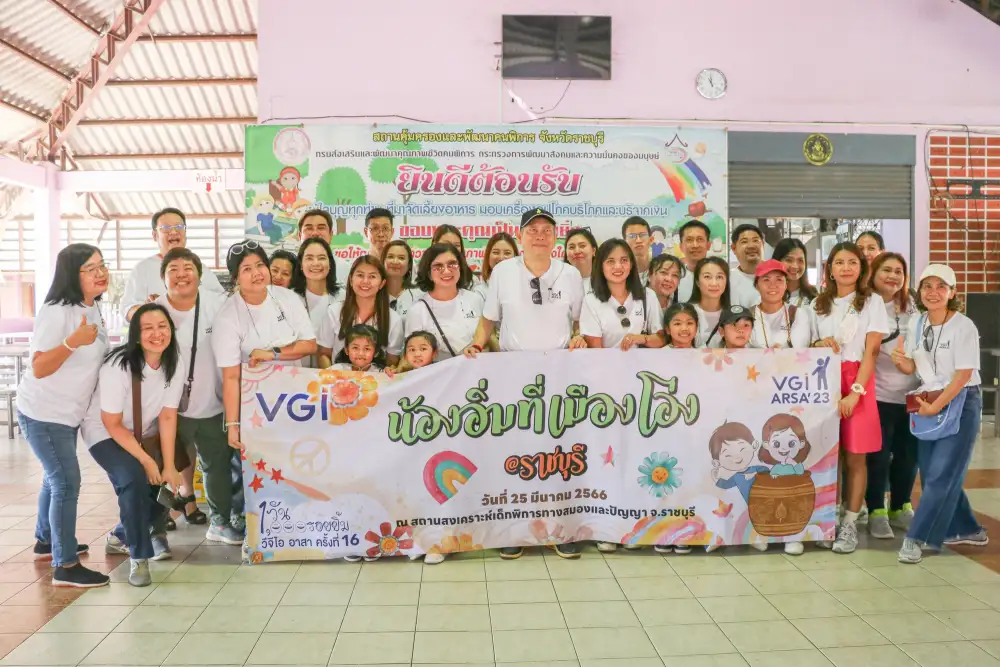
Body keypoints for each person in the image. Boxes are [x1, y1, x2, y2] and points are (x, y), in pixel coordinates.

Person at [464, 208, 586, 559]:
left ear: (555, 237)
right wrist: (476, 345)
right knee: (515, 451)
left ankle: (560, 528)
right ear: (520, 236)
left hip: (560, 376)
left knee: (558, 452)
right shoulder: (504, 272)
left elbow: (579, 322)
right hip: (513, 375)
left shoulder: (570, 274)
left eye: (547, 230)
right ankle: (514, 529)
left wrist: (579, 337)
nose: (540, 235)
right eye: (532, 230)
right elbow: (488, 321)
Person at [16, 244, 111, 588]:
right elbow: (40, 366)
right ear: (73, 274)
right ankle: (65, 564)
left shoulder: (93, 306)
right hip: (44, 412)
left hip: (68, 412)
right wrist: (72, 342)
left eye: (102, 265)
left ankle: (46, 541)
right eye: (90, 268)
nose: (101, 273)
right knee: (66, 482)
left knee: (53, 478)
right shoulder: (57, 311)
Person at [83, 303, 184, 587]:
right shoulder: (118, 366)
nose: (157, 333)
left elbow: (168, 415)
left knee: (164, 485)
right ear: (136, 336)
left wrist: (169, 465)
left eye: (162, 326)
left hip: (143, 431)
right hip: (104, 431)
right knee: (133, 478)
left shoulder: (174, 361)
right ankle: (139, 557)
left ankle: (121, 536)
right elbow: (112, 422)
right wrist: (147, 460)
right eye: (148, 328)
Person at [893, 264, 986, 564]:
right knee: (934, 471)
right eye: (927, 286)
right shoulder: (917, 323)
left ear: (952, 293)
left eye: (941, 286)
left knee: (942, 473)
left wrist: (937, 405)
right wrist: (901, 362)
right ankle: (968, 528)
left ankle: (916, 537)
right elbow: (914, 365)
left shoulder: (964, 326)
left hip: (961, 401)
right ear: (919, 291)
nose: (933, 292)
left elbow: (963, 375)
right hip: (928, 400)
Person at [155, 248, 242, 546]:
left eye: (188, 268)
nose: (181, 275)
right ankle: (154, 530)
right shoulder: (154, 312)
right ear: (163, 278)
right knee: (161, 467)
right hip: (167, 410)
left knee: (217, 467)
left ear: (199, 275)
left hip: (212, 404)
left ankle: (220, 522)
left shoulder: (219, 304)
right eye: (173, 270)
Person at [810, 242, 889, 554]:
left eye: (852, 262)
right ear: (830, 269)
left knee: (856, 456)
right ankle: (826, 519)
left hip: (858, 381)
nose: (846, 268)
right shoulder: (817, 304)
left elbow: (872, 352)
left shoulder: (871, 302)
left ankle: (850, 523)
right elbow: (807, 344)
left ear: (861, 268)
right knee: (828, 455)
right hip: (822, 380)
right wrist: (818, 343)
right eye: (839, 262)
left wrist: (856, 393)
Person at [213, 241, 317, 453]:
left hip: (294, 398)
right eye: (247, 269)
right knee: (261, 462)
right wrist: (233, 425)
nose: (256, 273)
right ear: (236, 278)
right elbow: (231, 377)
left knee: (297, 454)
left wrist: (272, 354)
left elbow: (309, 345)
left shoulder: (288, 298)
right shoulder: (227, 317)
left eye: (260, 265)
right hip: (255, 406)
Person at [865, 252, 920, 541]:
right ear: (873, 274)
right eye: (886, 270)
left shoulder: (914, 305)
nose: (893, 276)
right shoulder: (866, 305)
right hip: (879, 395)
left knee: (909, 456)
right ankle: (876, 510)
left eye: (899, 271)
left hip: (913, 396)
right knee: (878, 456)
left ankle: (900, 506)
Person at [122, 208, 224, 320]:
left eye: (179, 226)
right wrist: (151, 308)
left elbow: (222, 304)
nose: (174, 232)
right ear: (155, 235)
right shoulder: (142, 269)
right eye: (166, 228)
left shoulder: (201, 268)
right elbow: (127, 311)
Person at [318, 255, 404, 368]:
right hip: (339, 377)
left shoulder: (393, 319)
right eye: (360, 275)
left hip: (376, 378)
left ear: (382, 283)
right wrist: (331, 375)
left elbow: (392, 361)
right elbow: (324, 354)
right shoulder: (334, 312)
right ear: (351, 280)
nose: (365, 281)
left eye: (372, 276)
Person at [580, 239, 664, 352]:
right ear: (601, 266)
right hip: (606, 362)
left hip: (641, 362)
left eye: (624, 260)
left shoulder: (648, 295)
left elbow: (661, 339)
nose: (618, 266)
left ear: (631, 264)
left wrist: (642, 339)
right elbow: (596, 351)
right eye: (610, 261)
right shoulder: (591, 301)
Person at [404, 244, 484, 360]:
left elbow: (487, 337)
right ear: (429, 274)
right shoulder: (417, 310)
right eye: (438, 266)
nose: (446, 271)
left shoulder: (475, 299)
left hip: (474, 368)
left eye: (452, 264)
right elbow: (413, 356)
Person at [290, 237, 343, 347]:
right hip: (298, 358)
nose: (316, 263)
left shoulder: (344, 297)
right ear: (301, 265)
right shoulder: (289, 298)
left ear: (330, 264)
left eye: (321, 258)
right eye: (309, 258)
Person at [749, 260, 811, 350]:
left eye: (779, 279)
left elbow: (801, 350)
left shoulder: (798, 314)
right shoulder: (748, 315)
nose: (773, 285)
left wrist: (780, 354)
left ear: (786, 285)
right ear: (757, 286)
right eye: (766, 280)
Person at [298, 209, 351, 284]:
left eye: (321, 228)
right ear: (299, 236)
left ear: (331, 234)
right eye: (309, 228)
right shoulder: (289, 268)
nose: (315, 233)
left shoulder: (346, 269)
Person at [688, 257, 731, 347]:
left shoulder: (733, 315)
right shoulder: (686, 313)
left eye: (719, 277)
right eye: (707, 277)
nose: (714, 283)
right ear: (697, 282)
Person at [772, 239, 818, 309]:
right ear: (777, 261)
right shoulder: (767, 294)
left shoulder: (813, 297)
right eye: (789, 260)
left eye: (800, 260)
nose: (795, 266)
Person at [382, 240, 421, 317]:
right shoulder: (373, 294)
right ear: (383, 261)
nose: (395, 262)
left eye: (401, 258)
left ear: (409, 265)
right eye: (390, 257)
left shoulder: (420, 295)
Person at [728, 224, 764, 308]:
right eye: (744, 241)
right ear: (734, 248)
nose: (751, 246)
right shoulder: (728, 279)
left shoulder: (776, 275)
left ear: (763, 244)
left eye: (755, 240)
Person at [677, 219, 712, 302]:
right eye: (689, 240)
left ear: (708, 245)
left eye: (700, 239)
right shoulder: (675, 277)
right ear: (681, 246)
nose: (695, 245)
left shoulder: (721, 276)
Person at [564, 228, 598, 296]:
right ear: (566, 254)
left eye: (582, 246)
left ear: (593, 251)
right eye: (571, 247)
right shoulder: (557, 282)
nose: (577, 251)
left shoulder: (607, 282)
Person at [622, 216, 652, 285]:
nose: (638, 240)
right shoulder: (619, 273)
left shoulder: (660, 270)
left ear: (651, 240)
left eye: (642, 235)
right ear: (624, 242)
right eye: (632, 236)